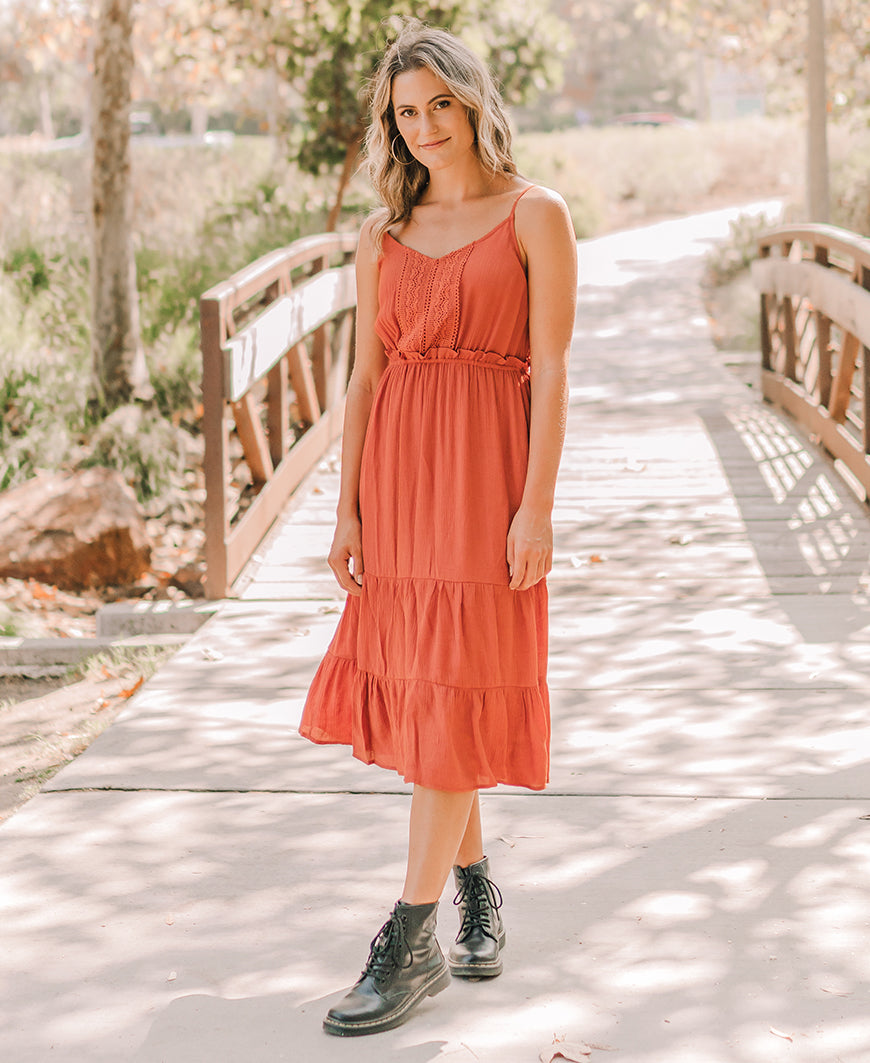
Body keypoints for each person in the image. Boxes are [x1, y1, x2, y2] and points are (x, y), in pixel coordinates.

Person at [298, 17, 577, 1038]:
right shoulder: (384, 234)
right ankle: (476, 888)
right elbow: (365, 375)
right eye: (405, 113)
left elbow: (550, 372)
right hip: (403, 478)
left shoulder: (534, 215)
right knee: (432, 693)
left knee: (457, 683)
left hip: (489, 475)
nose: (423, 127)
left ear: (472, 102)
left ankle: (410, 936)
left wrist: (535, 506)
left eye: (438, 107)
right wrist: (348, 508)